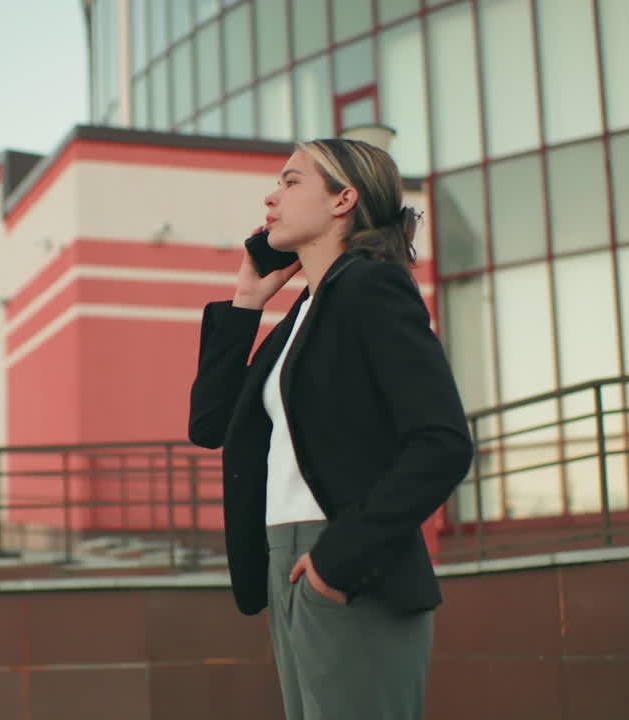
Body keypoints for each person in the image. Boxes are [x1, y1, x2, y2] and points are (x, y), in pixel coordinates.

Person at [188, 138, 473, 719]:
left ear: (344, 199)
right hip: (283, 562)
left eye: (291, 182)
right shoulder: (305, 312)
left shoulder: (373, 287)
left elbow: (441, 442)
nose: (271, 196)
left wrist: (334, 564)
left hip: (347, 564)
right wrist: (247, 301)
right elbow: (211, 424)